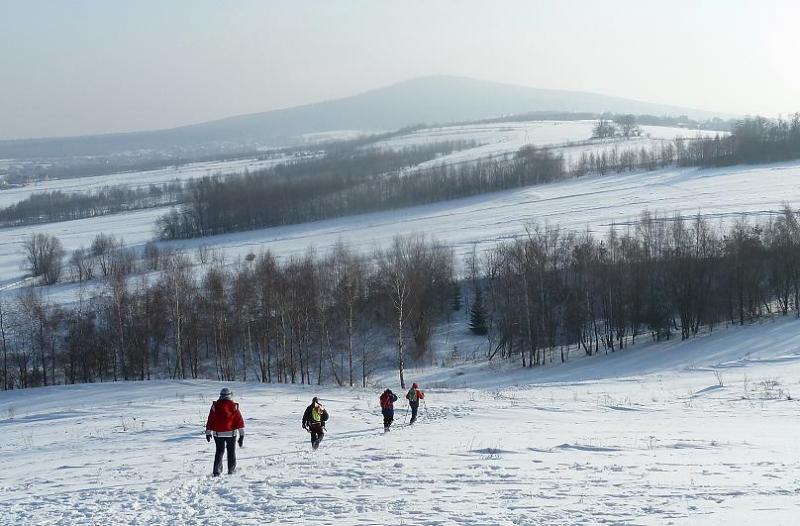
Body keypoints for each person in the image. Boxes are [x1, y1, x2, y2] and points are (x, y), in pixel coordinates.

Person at [205, 387, 245, 477]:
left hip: (218, 434)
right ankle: (231, 470)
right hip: (231, 434)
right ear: (230, 395)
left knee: (219, 451)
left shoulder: (215, 406)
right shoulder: (234, 406)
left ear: (221, 395)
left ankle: (217, 471)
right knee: (231, 452)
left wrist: (208, 432)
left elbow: (211, 419)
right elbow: (239, 421)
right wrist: (241, 435)